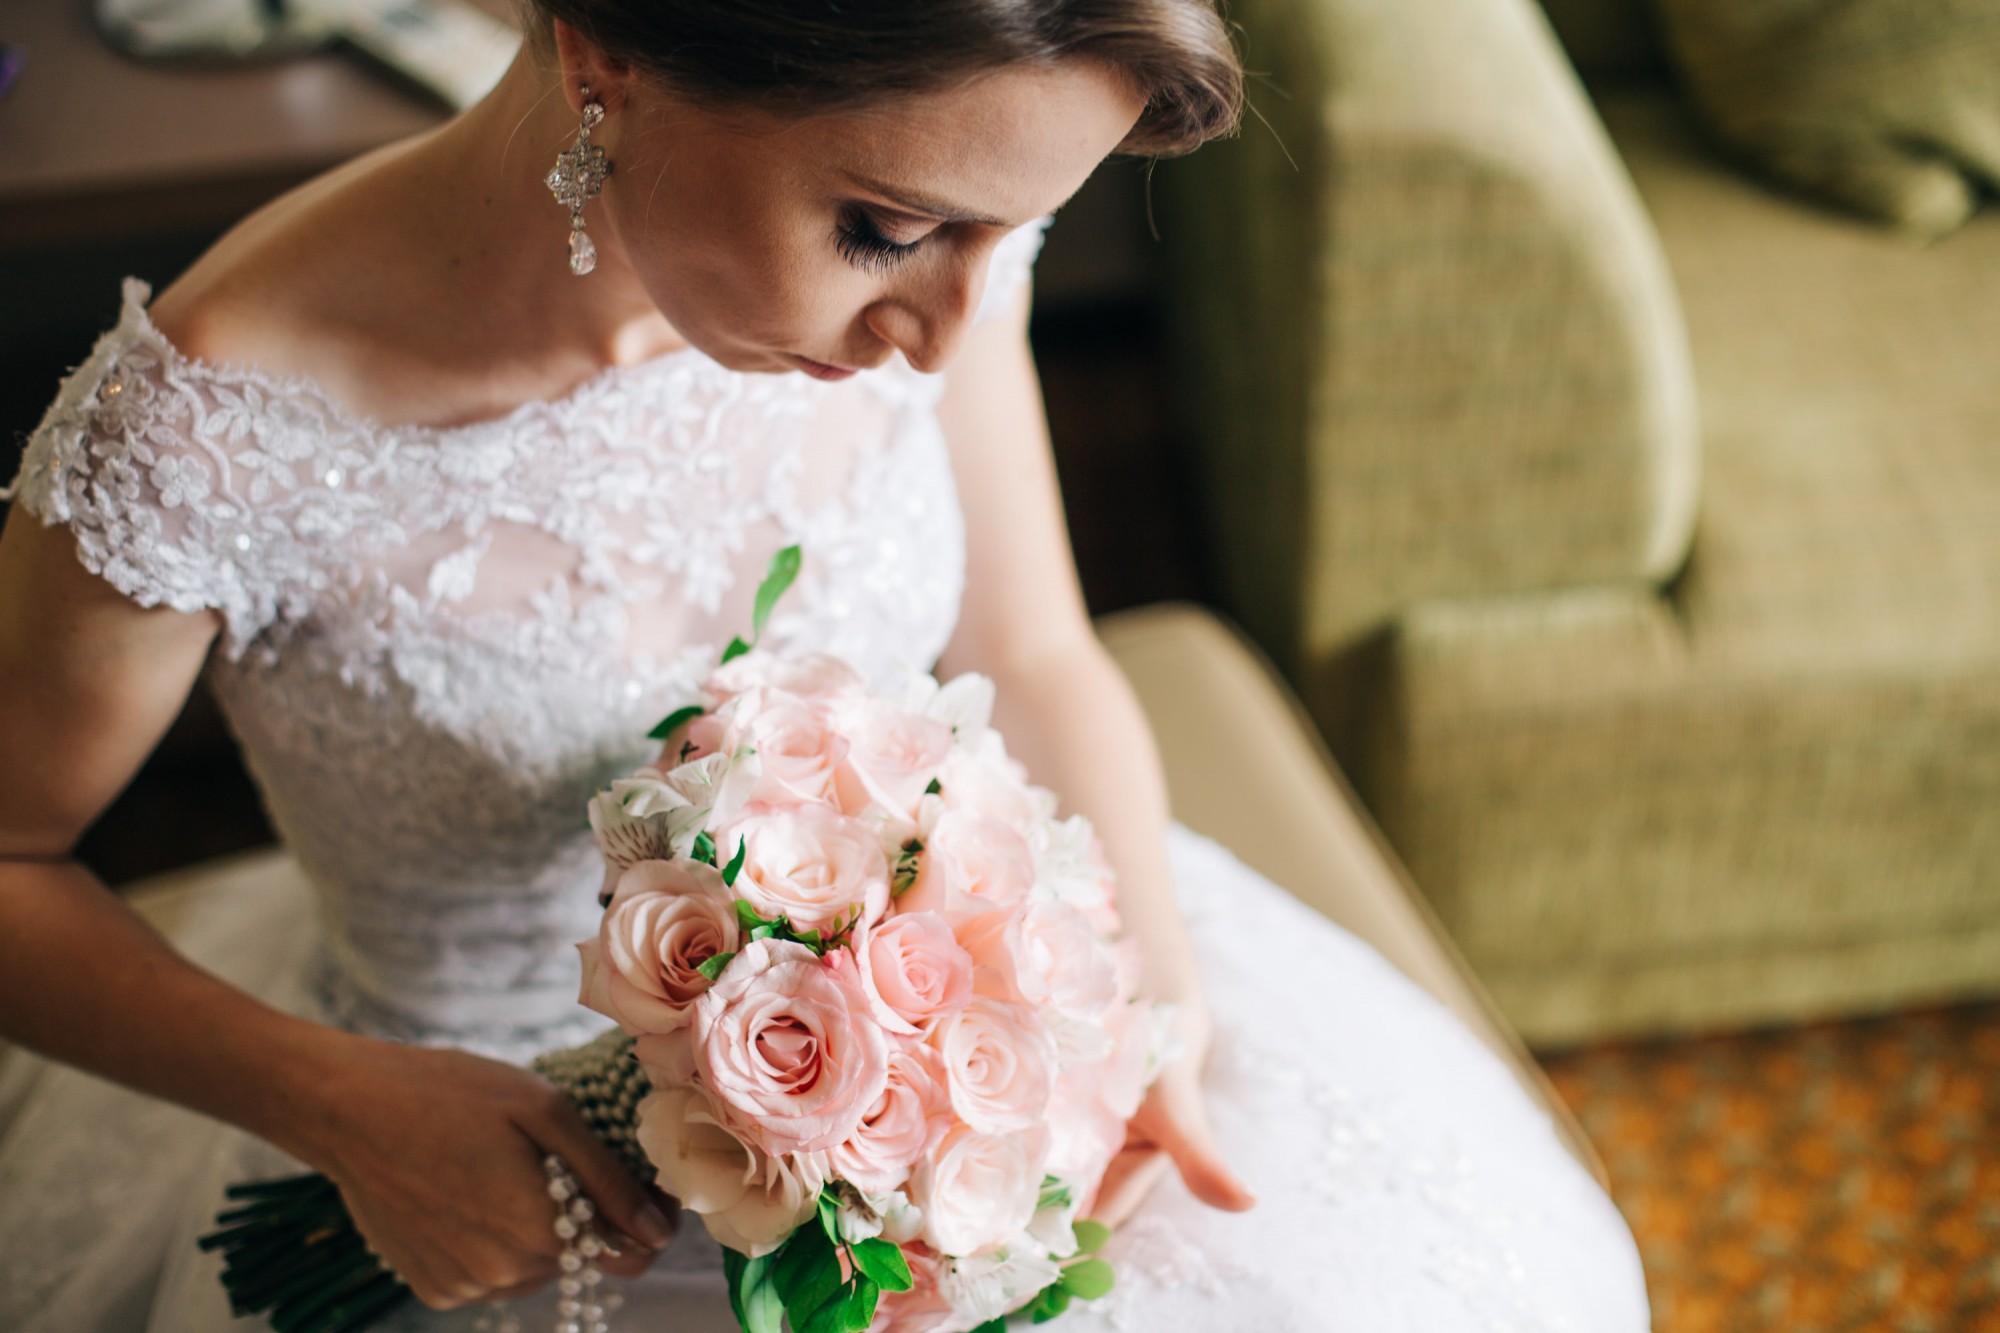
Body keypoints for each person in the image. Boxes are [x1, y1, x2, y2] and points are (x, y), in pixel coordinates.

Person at [0, 1, 1652, 1329]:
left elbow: (1031, 647)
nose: (944, 330)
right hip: (487, 1183)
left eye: (1012, 238)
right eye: (881, 231)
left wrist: (1137, 1006)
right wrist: (346, 1110)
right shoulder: (211, 427)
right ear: (609, 58)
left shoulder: (941, 266)